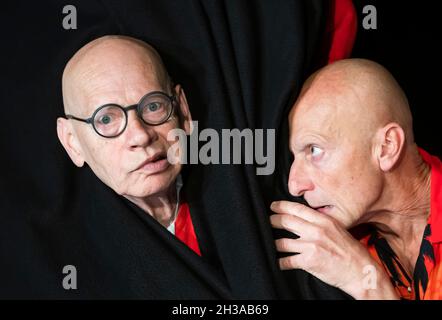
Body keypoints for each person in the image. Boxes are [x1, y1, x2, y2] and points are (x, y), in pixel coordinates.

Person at [270, 58, 442, 299]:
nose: (294, 185)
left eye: (315, 150)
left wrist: (365, 283)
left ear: (386, 147)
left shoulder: (348, 261)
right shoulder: (340, 246)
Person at [56, 35, 200, 254]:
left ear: (183, 110)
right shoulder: (68, 256)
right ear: (72, 143)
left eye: (153, 106)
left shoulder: (249, 201)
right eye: (106, 119)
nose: (140, 136)